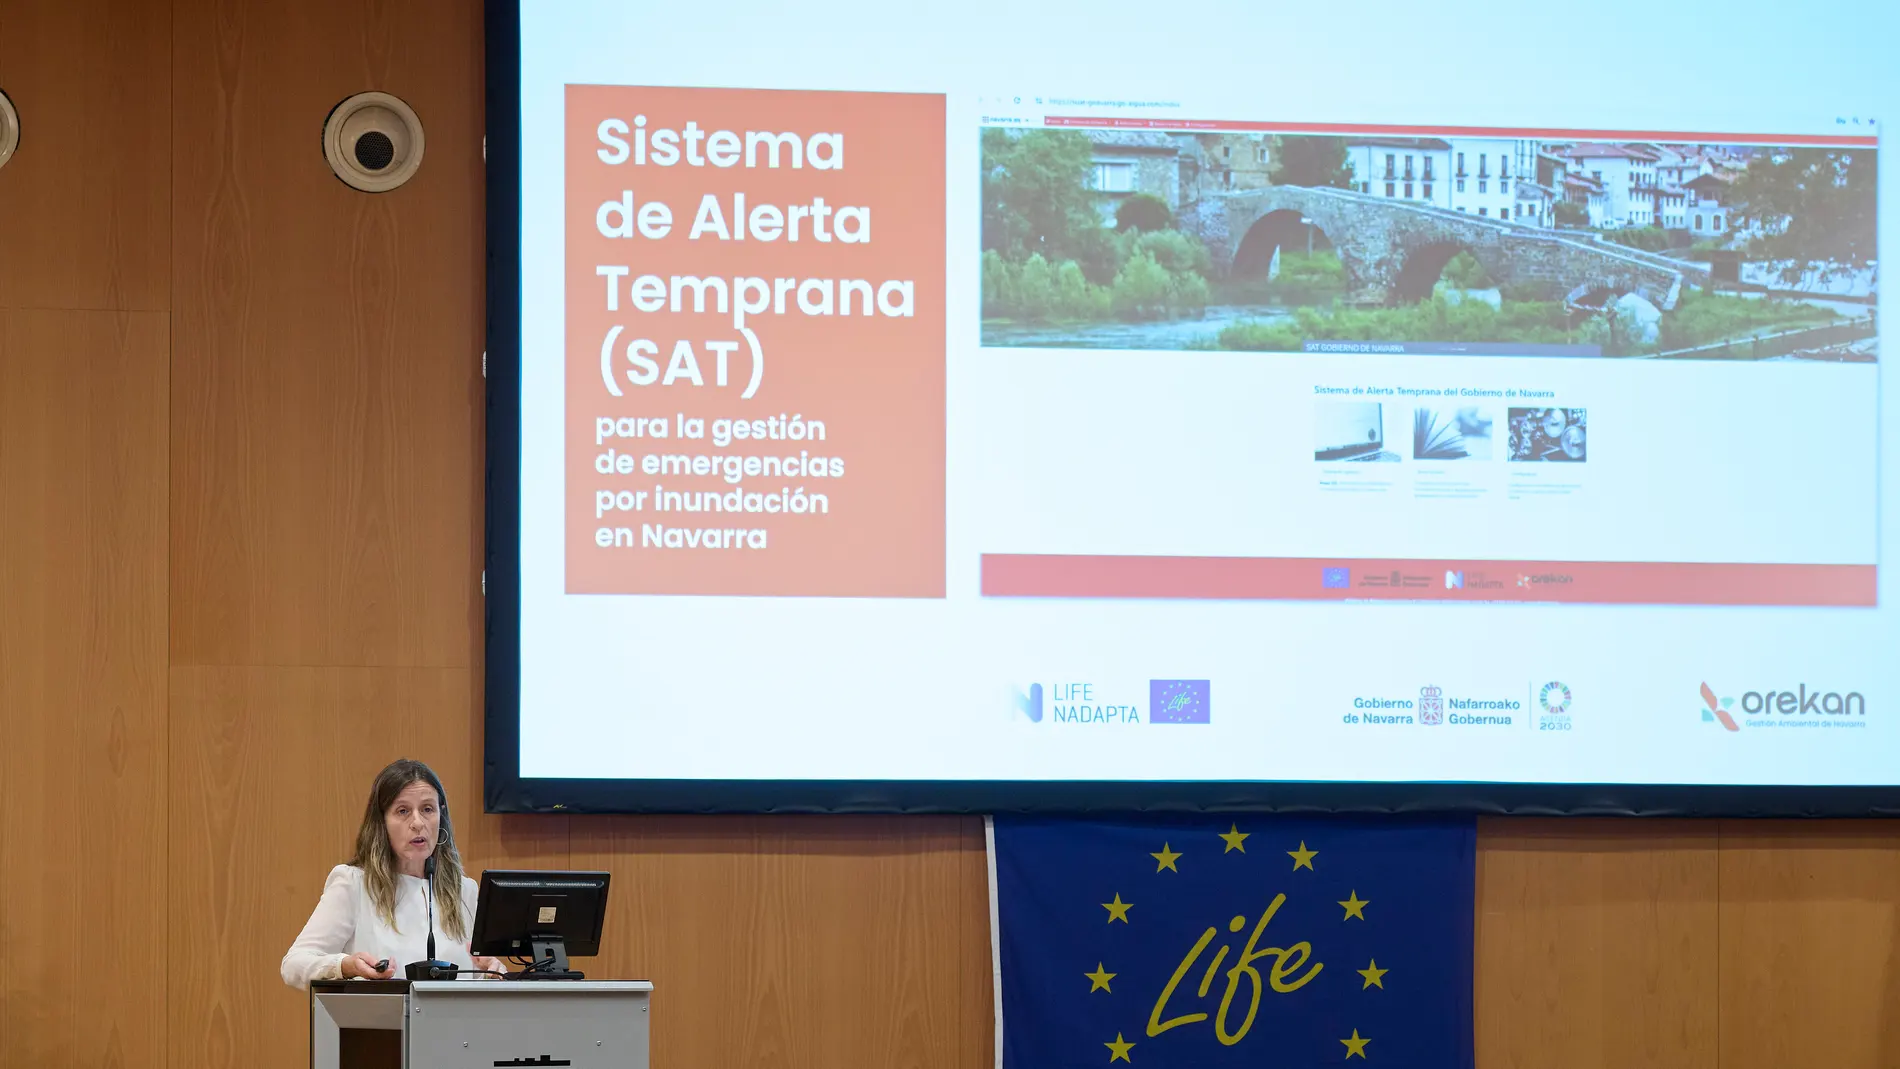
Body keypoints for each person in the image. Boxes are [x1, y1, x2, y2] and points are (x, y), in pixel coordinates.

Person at [281, 758, 507, 989]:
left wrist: (488, 972)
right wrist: (346, 966)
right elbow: (294, 964)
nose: (418, 823)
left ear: (441, 816)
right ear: (382, 822)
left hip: (457, 1023)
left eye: (427, 809)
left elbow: (470, 978)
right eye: (403, 811)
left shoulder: (464, 891)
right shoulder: (354, 884)